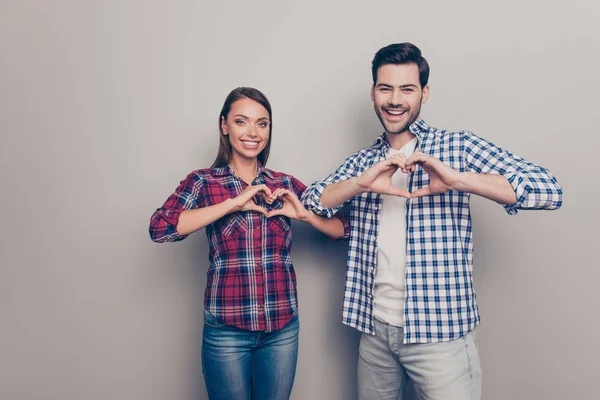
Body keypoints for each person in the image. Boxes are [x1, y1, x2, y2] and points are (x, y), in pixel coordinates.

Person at [301, 43, 562, 400]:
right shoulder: (363, 162)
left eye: (407, 89)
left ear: (424, 93)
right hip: (375, 333)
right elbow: (313, 201)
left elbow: (549, 189)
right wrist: (361, 183)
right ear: (373, 92)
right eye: (385, 88)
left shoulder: (457, 147)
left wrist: (459, 180)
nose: (395, 99)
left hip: (441, 335)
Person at [149, 87, 348, 400]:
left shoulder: (283, 184)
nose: (253, 132)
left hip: (282, 329)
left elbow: (342, 229)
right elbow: (160, 227)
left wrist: (306, 216)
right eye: (242, 122)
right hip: (227, 331)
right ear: (224, 126)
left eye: (262, 123)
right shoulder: (204, 181)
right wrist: (232, 204)